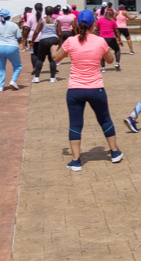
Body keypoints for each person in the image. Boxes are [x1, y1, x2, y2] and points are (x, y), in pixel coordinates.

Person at [51, 9, 122, 169]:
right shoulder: (100, 41)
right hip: (96, 88)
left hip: (75, 89)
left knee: (75, 124)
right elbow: (110, 60)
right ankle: (114, 152)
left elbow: (56, 58)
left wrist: (53, 50)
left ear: (76, 23)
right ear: (94, 24)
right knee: (105, 119)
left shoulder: (70, 41)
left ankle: (76, 161)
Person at [0, 9, 23, 91]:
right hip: (12, 46)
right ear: (9, 16)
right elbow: (19, 38)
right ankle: (13, 80)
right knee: (17, 66)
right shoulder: (14, 25)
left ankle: (0, 86)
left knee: (0, 67)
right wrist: (16, 44)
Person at [31, 6, 60, 83]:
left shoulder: (42, 20)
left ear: (45, 12)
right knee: (52, 59)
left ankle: (36, 77)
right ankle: (52, 78)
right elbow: (60, 33)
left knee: (40, 59)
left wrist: (32, 41)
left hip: (43, 40)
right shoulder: (56, 21)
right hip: (54, 39)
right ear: (53, 12)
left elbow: (36, 31)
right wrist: (59, 43)